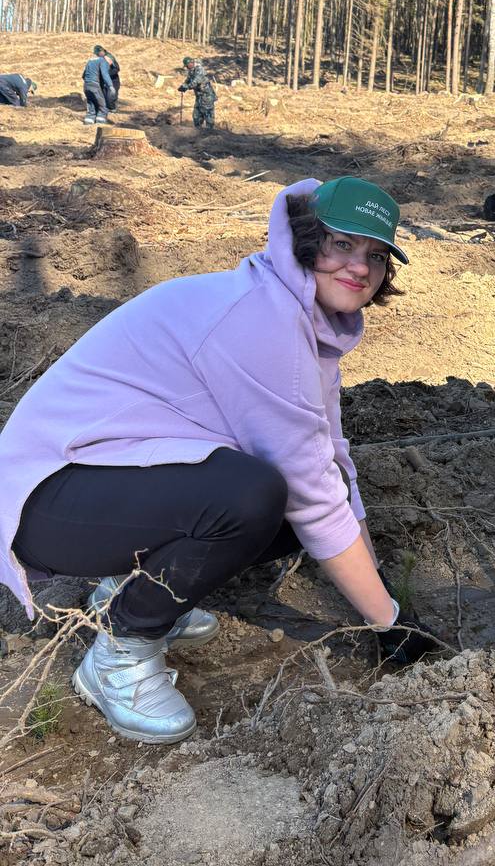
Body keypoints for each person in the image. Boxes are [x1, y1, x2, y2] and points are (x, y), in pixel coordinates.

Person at [0, 176, 437, 744]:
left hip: (104, 481)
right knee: (252, 497)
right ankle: (120, 654)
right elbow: (311, 491)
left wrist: (380, 590)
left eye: (377, 255)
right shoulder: (262, 320)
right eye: (342, 244)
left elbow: (331, 462)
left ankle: (132, 589)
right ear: (307, 242)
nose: (360, 266)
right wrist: (390, 622)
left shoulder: (307, 325)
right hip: (45, 501)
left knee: (279, 510)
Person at [179, 56, 217, 129]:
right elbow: (188, 80)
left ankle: (209, 132)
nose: (187, 67)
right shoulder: (191, 70)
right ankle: (198, 132)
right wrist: (183, 85)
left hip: (207, 96)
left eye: (187, 66)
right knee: (196, 115)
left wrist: (186, 87)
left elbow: (195, 82)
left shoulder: (199, 69)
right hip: (199, 96)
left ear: (190, 63)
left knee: (208, 114)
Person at [82, 49, 114, 125]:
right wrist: (110, 86)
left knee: (91, 103)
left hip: (86, 86)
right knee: (102, 105)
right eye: (110, 64)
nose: (110, 65)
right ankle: (101, 121)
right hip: (94, 85)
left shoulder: (91, 61)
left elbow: (83, 75)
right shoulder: (103, 61)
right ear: (108, 59)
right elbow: (105, 74)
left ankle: (89, 120)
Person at [94, 45, 121, 111]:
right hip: (104, 81)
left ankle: (113, 108)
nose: (97, 55)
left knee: (111, 97)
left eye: (98, 53)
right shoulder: (99, 59)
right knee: (104, 96)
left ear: (101, 51)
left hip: (113, 80)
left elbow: (116, 69)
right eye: (96, 54)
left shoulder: (109, 57)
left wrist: (107, 74)